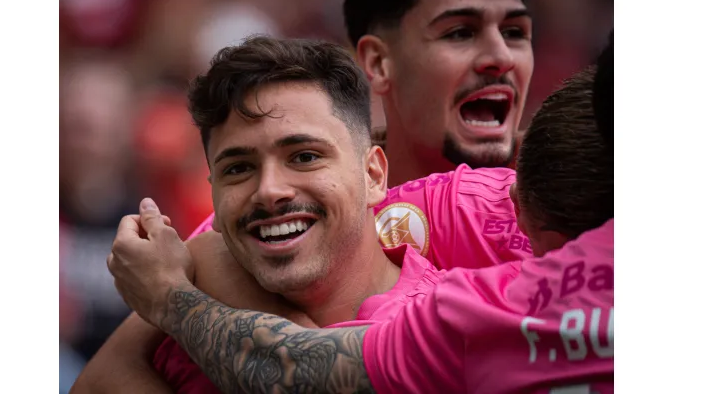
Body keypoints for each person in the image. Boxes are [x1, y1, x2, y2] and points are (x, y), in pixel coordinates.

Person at [107, 36, 615, 393]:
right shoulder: (185, 301)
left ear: (375, 175)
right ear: (212, 190)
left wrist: (173, 297)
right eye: (238, 168)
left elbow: (293, 371)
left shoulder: (455, 326)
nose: (270, 191)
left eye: (304, 156)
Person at [344, 0, 538, 182]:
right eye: (460, 33)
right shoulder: (328, 206)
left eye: (513, 33)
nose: (503, 58)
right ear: (378, 62)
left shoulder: (568, 202)